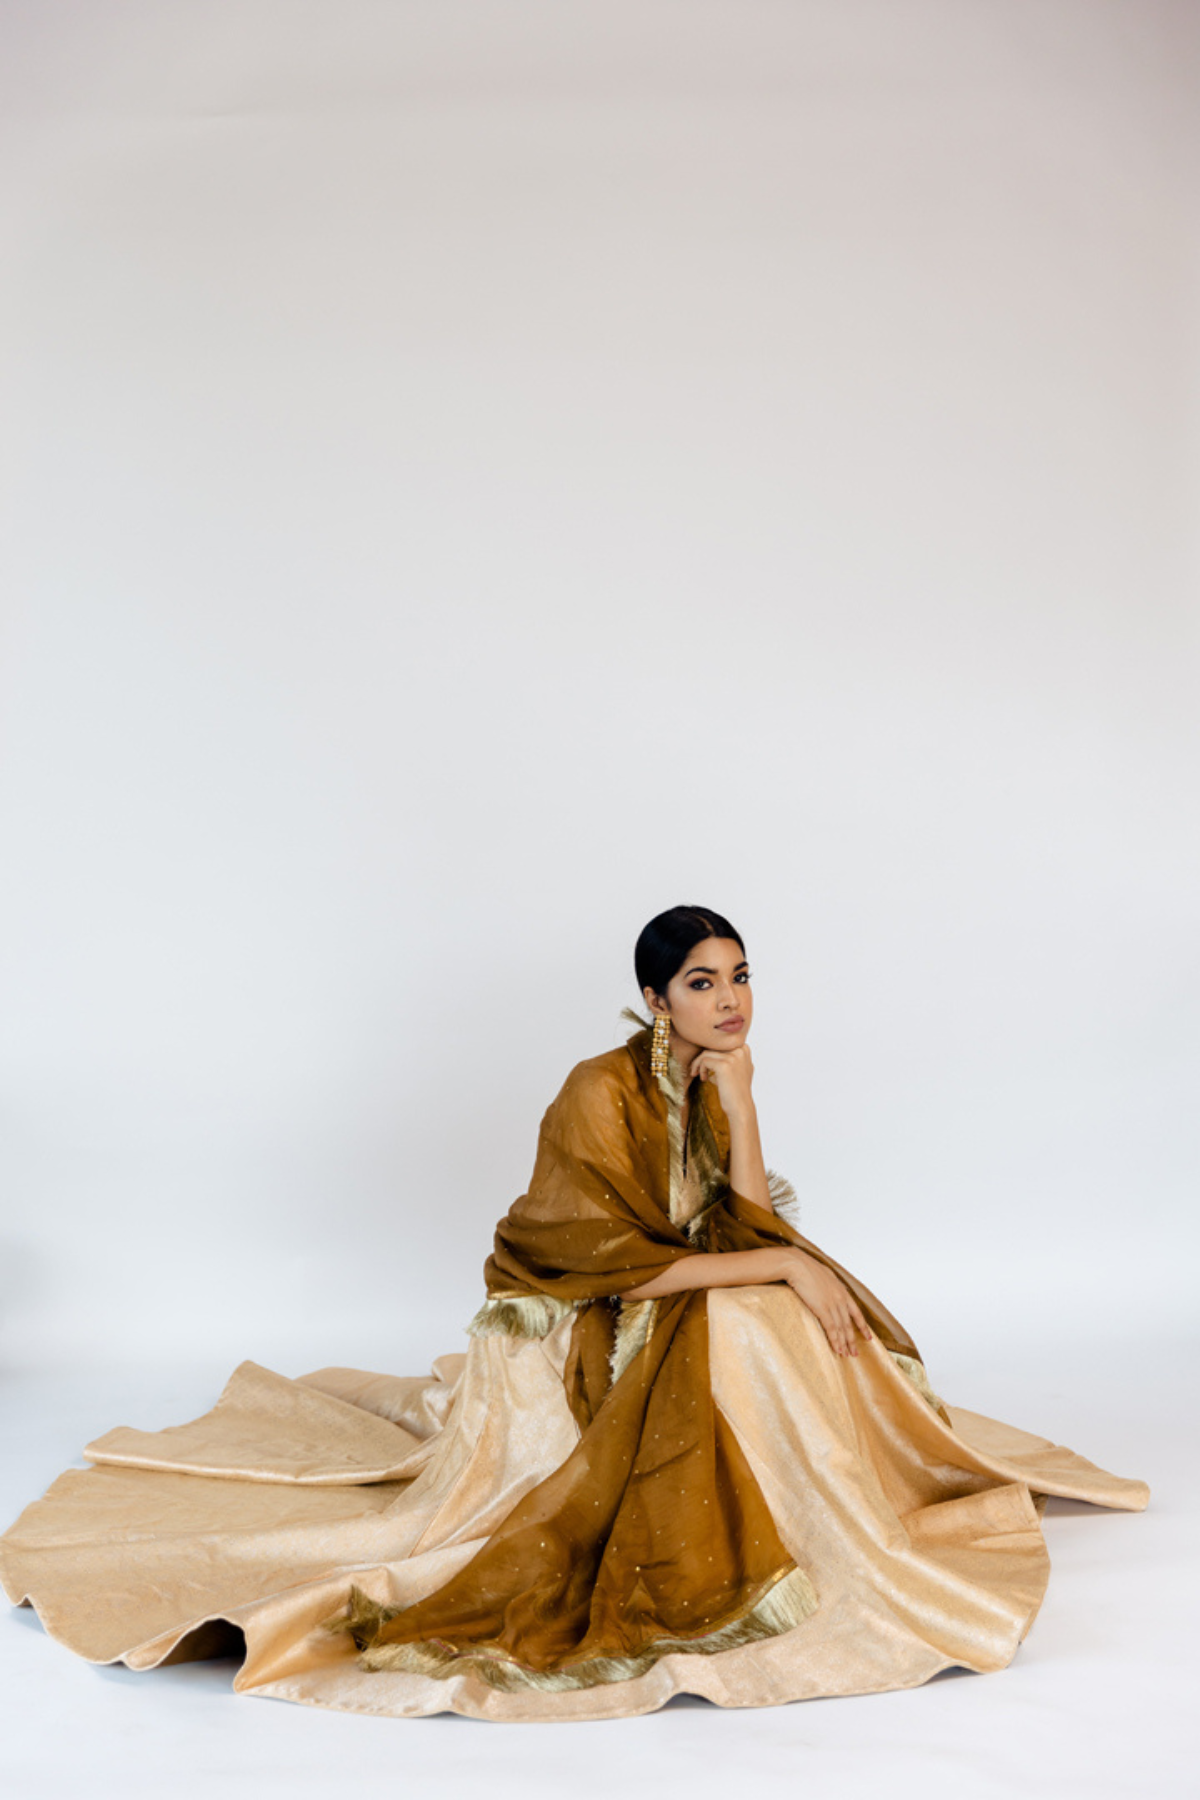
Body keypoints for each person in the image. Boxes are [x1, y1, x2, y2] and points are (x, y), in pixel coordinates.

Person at [0, 905, 1149, 1723]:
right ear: (653, 998)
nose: (729, 1001)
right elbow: (602, 1263)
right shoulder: (597, 1090)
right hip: (572, 1302)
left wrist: (745, 1105)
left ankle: (828, 1515)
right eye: (701, 983)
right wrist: (774, 1270)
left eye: (741, 977)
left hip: (664, 1281)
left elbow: (747, 1219)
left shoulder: (714, 1073)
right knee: (762, 1315)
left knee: (784, 1312)